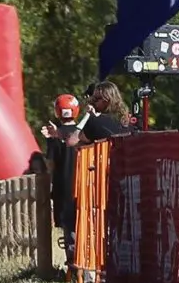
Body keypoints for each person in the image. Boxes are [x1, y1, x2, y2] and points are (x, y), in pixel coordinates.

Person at [43, 94, 80, 273]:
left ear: (58, 112)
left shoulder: (54, 137)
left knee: (69, 229)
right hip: (85, 186)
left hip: (63, 188)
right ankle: (88, 271)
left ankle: (73, 268)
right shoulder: (83, 132)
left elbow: (50, 164)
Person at [42, 81, 131, 147]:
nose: (93, 102)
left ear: (106, 100)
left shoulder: (96, 122)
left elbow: (71, 141)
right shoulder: (125, 119)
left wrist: (88, 115)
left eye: (96, 99)